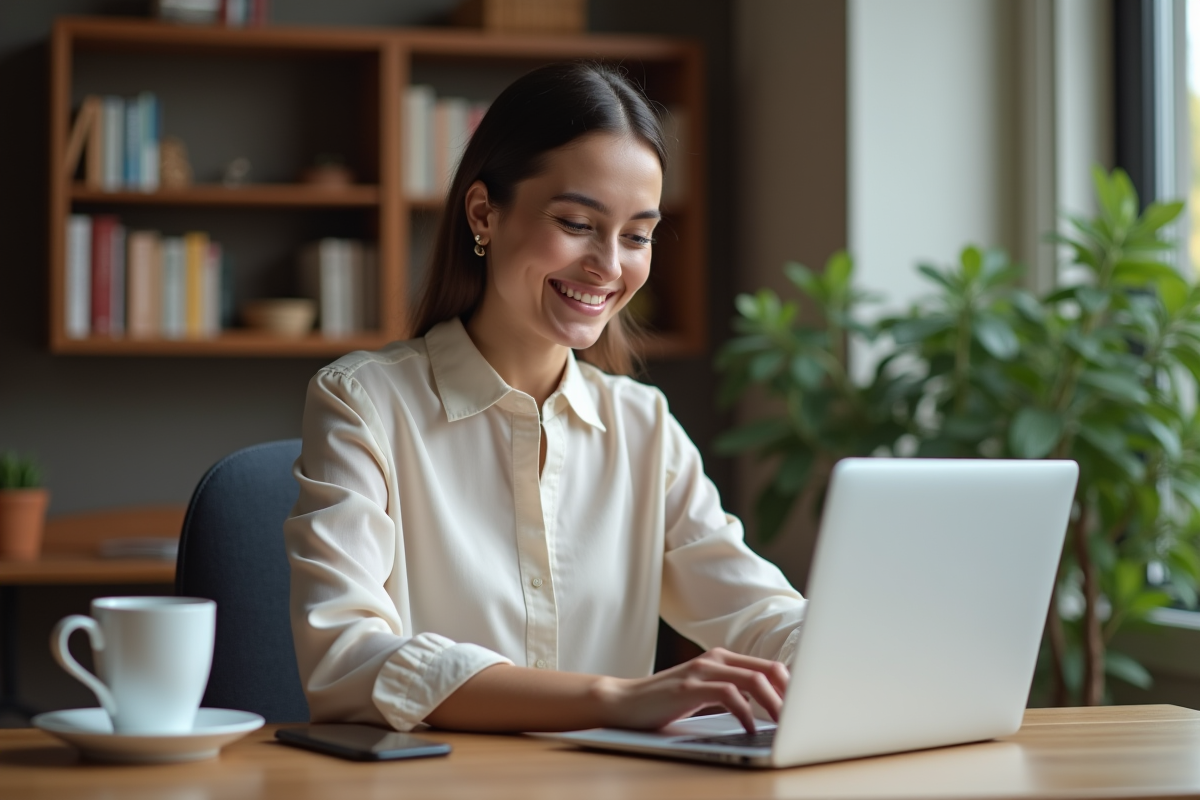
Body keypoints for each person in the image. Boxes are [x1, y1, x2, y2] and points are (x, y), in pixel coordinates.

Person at [284, 61, 807, 735]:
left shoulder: (642, 427)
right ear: (484, 213)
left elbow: (758, 611)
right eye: (576, 222)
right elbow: (345, 658)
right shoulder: (363, 404)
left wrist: (859, 652)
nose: (610, 266)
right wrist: (612, 700)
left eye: (638, 235)